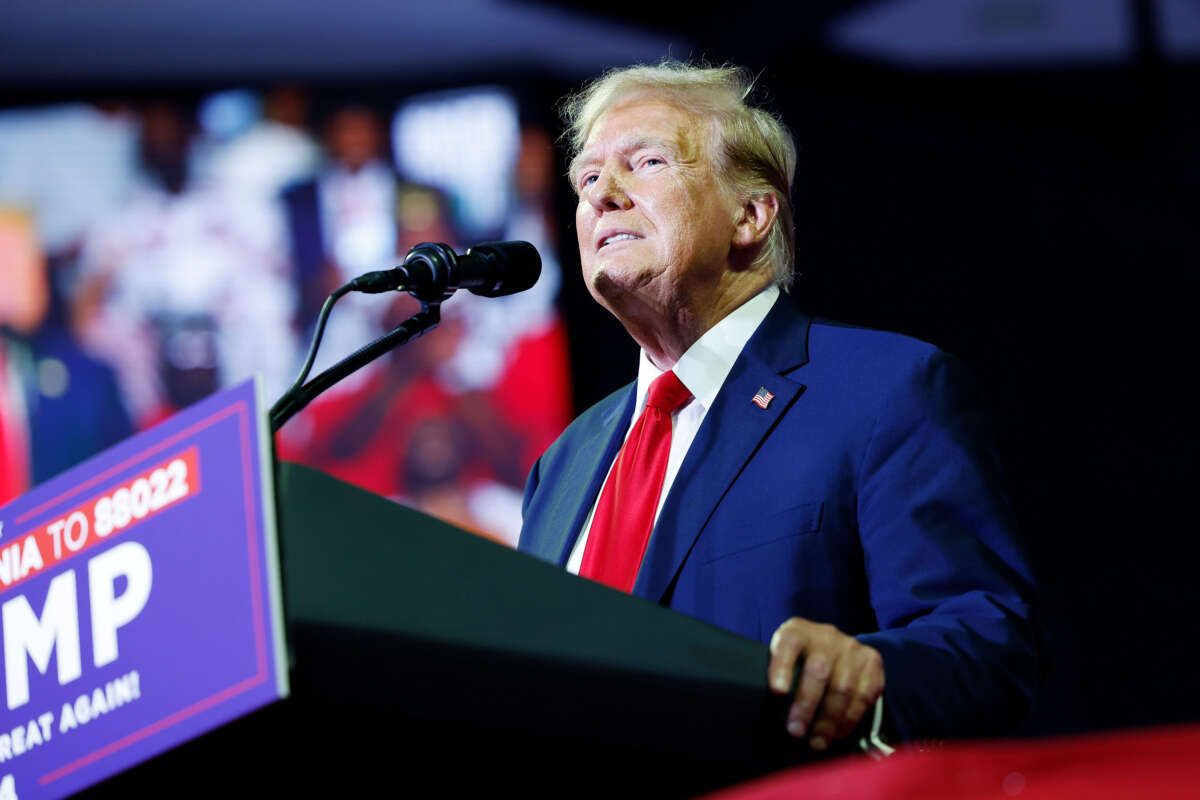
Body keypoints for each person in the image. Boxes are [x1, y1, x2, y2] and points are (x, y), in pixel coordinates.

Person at [517, 61, 1038, 753]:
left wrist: (873, 676)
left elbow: (984, 640)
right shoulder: (566, 461)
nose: (603, 195)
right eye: (586, 179)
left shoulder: (886, 390)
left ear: (751, 214)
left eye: (645, 162)